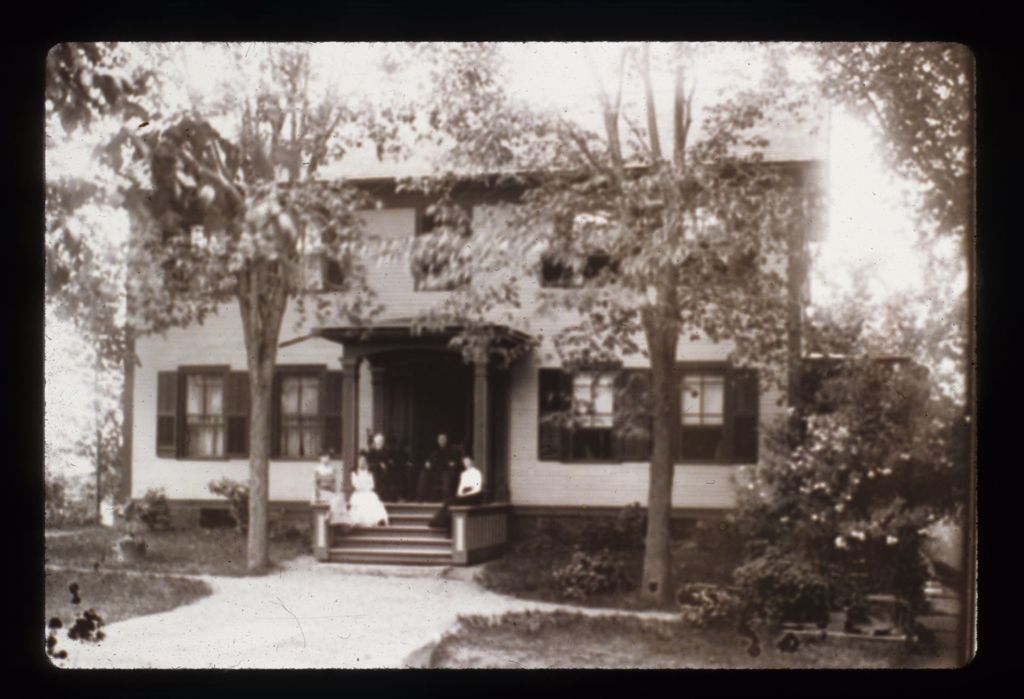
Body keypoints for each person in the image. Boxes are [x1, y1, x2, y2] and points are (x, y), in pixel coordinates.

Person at [428, 455, 485, 532]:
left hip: (474, 496)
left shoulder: (477, 473)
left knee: (452, 502)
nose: (466, 464)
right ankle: (439, 522)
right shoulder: (464, 474)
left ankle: (440, 522)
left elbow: (477, 488)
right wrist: (461, 494)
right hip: (464, 495)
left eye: (468, 461)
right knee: (449, 502)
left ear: (472, 462)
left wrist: (466, 494)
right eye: (464, 462)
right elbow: (460, 488)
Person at [417, 433, 461, 502]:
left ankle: (446, 497)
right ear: (437, 441)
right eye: (440, 439)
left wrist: (453, 464)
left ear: (446, 440)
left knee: (446, 474)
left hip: (446, 472)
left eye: (443, 439)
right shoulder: (434, 452)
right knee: (424, 473)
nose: (441, 441)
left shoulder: (452, 452)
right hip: (435, 473)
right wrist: (427, 464)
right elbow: (429, 461)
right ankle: (421, 496)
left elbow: (456, 463)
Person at [348, 451, 389, 527]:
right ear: (357, 462)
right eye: (360, 461)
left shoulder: (369, 473)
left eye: (363, 461)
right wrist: (363, 487)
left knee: (373, 500)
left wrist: (366, 488)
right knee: (360, 503)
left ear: (366, 462)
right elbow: (355, 484)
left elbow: (372, 485)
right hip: (359, 493)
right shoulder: (354, 473)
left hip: (368, 492)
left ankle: (379, 519)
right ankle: (359, 520)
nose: (362, 463)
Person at [366, 433, 396, 502]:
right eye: (379, 441)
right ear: (376, 442)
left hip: (386, 476)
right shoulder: (371, 452)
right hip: (376, 475)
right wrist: (379, 464)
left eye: (382, 441)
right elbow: (369, 464)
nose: (381, 443)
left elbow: (392, 461)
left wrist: (387, 464)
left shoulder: (387, 452)